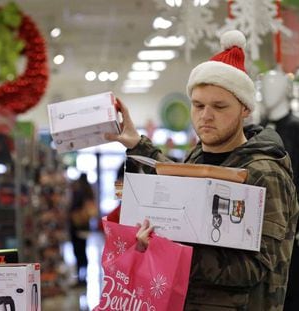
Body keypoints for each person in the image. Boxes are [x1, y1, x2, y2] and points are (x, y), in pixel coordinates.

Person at [105, 30, 299, 310]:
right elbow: (179, 179)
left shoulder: (264, 172)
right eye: (198, 105)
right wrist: (137, 144)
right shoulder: (199, 155)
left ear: (244, 109)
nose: (206, 116)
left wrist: (169, 249)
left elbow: (254, 269)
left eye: (219, 106)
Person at [260, 69, 299, 311]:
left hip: (291, 229)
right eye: (264, 86)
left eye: (273, 85)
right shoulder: (259, 129)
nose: (267, 91)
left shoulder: (296, 130)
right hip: (263, 226)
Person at [68, 173, 97, 286]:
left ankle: (81, 278)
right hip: (85, 226)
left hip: (76, 226)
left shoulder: (78, 192)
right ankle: (83, 276)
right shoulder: (89, 192)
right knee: (83, 250)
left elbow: (73, 208)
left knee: (78, 252)